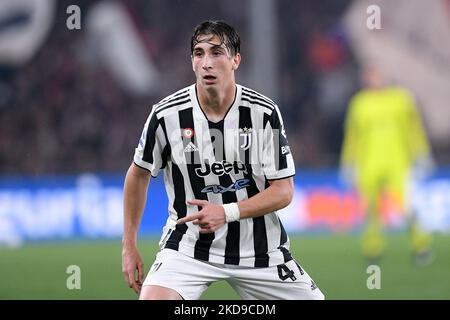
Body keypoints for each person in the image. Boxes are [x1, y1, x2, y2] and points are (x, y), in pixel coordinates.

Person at [121, 20, 324, 300]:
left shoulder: (263, 113)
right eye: (199, 53)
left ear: (235, 60)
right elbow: (138, 173)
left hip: (260, 252)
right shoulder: (166, 115)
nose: (207, 62)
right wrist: (128, 244)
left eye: (217, 52)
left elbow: (283, 190)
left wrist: (226, 212)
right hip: (188, 249)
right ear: (192, 61)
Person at [340, 64, 434, 265]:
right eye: (369, 74)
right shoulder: (359, 103)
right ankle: (373, 249)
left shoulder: (401, 99)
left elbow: (414, 129)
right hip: (368, 164)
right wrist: (348, 162)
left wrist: (422, 154)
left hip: (398, 163)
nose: (372, 78)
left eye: (376, 74)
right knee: (369, 208)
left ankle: (421, 245)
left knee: (407, 206)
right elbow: (353, 136)